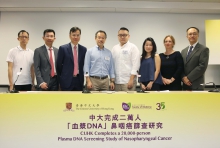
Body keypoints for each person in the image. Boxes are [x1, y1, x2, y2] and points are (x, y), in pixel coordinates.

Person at [57, 27, 87, 91]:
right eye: (73, 35)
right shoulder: (63, 48)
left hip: (79, 80)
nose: (76, 37)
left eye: (78, 35)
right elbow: (58, 66)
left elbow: (84, 65)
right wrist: (61, 80)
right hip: (66, 80)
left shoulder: (83, 49)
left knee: (78, 100)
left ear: (80, 36)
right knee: (66, 100)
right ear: (69, 36)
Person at [111, 27, 140, 91]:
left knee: (128, 101)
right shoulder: (114, 48)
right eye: (120, 35)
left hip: (128, 82)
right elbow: (112, 66)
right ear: (118, 36)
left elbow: (136, 65)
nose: (122, 37)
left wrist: (131, 80)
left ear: (128, 36)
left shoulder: (133, 48)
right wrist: (112, 81)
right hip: (117, 82)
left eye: (124, 35)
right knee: (117, 100)